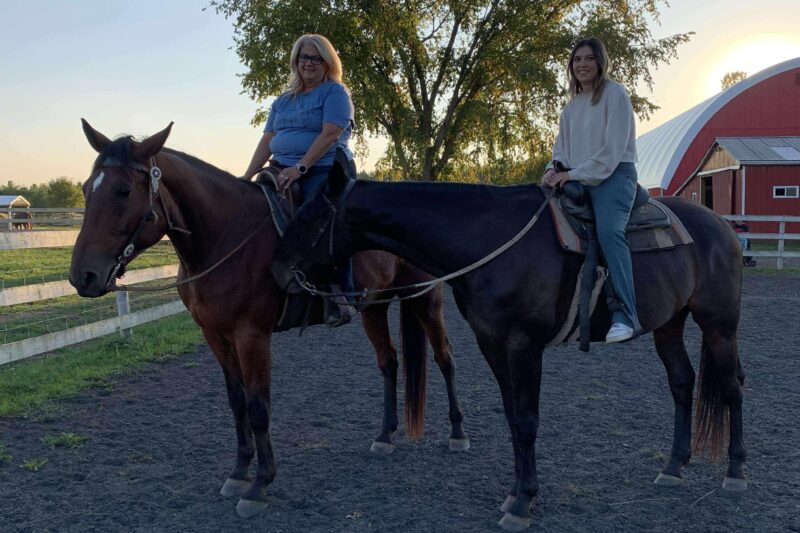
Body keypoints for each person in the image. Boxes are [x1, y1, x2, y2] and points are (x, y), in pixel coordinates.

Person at [241, 33, 356, 326]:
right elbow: (267, 139)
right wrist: (247, 175)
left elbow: (330, 134)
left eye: (316, 58)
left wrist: (300, 169)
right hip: (280, 168)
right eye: (304, 57)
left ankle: (337, 293)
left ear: (327, 63)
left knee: (317, 218)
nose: (309, 63)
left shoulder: (335, 94)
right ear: (296, 61)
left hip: (324, 170)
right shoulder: (282, 101)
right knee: (249, 212)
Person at [542, 36, 642, 344]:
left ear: (600, 62)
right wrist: (552, 168)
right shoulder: (571, 107)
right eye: (577, 60)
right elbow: (561, 147)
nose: (582, 64)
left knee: (610, 232)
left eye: (588, 58)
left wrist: (572, 174)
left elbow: (611, 153)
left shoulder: (616, 95)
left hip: (613, 177)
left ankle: (627, 315)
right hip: (576, 176)